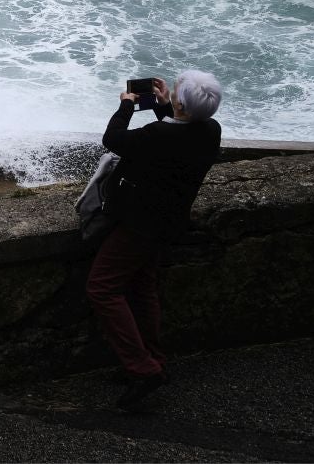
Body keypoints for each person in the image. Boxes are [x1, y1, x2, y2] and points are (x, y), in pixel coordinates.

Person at [88, 70, 223, 410]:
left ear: (181, 103)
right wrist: (165, 108)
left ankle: (143, 368)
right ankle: (155, 359)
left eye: (176, 92)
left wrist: (126, 106)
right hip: (169, 221)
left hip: (139, 224)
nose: (173, 91)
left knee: (102, 288)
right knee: (142, 286)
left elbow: (114, 139)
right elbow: (179, 138)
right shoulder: (210, 130)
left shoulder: (157, 135)